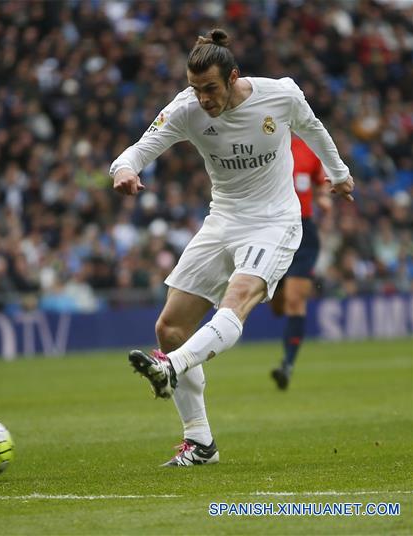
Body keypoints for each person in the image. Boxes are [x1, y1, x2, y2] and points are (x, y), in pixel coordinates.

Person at [108, 30, 354, 466]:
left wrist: (338, 172)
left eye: (210, 89)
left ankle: (170, 367)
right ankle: (200, 443)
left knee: (235, 301)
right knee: (169, 329)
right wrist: (124, 169)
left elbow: (313, 129)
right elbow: (139, 149)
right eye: (196, 88)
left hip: (275, 222)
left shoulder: (280, 95)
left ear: (234, 77)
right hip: (222, 221)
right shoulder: (186, 108)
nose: (203, 98)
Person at [270, 136, 331, 390]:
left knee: (295, 300)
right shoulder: (267, 141)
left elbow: (321, 181)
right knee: (278, 306)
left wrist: (323, 197)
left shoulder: (309, 148)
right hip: (272, 229)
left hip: (304, 230)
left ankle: (287, 365)